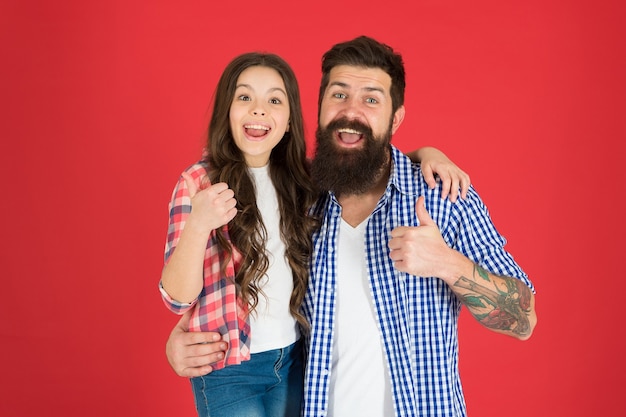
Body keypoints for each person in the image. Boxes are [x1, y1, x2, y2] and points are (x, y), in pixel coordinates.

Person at [160, 51, 470, 417]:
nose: (259, 110)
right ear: (226, 111)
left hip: (295, 362)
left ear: (290, 120)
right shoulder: (198, 184)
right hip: (231, 367)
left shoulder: (303, 182)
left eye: (274, 100)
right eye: (244, 97)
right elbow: (177, 299)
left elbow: (374, 161)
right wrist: (198, 224)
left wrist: (428, 154)